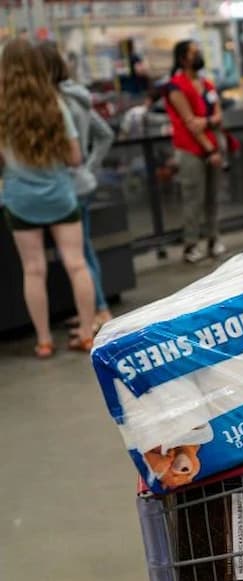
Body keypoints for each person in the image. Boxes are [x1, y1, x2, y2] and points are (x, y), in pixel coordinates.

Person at [0, 38, 96, 357]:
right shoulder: (55, 104)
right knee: (77, 264)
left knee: (33, 269)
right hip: (59, 195)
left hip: (20, 199)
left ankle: (43, 341)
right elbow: (75, 157)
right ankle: (86, 333)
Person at [38, 41, 115, 337]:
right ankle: (95, 308)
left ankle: (100, 310)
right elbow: (104, 134)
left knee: (79, 255)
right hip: (82, 183)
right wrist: (90, 168)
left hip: (66, 186)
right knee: (84, 251)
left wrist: (82, 167)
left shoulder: (56, 103)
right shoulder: (79, 97)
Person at [166, 39, 225, 263]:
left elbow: (218, 117)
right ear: (183, 58)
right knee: (193, 198)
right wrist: (210, 150)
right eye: (193, 52)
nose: (198, 55)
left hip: (213, 148)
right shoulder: (175, 86)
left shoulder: (207, 85)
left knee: (213, 197)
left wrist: (207, 121)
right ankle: (191, 244)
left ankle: (213, 238)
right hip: (190, 150)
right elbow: (190, 123)